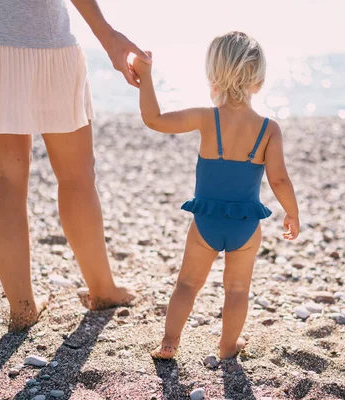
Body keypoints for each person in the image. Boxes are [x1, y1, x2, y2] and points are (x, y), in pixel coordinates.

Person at [0, 0, 151, 331]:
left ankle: (22, 308)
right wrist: (107, 35)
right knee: (76, 174)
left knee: (4, 173)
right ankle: (102, 288)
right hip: (33, 30)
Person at [131, 31, 300, 360]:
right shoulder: (269, 129)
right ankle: (226, 347)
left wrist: (147, 77)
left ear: (213, 75)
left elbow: (154, 119)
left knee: (187, 284)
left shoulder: (207, 118)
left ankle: (169, 343)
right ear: (259, 80)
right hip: (246, 226)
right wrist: (292, 213)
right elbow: (279, 179)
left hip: (206, 222)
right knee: (237, 290)